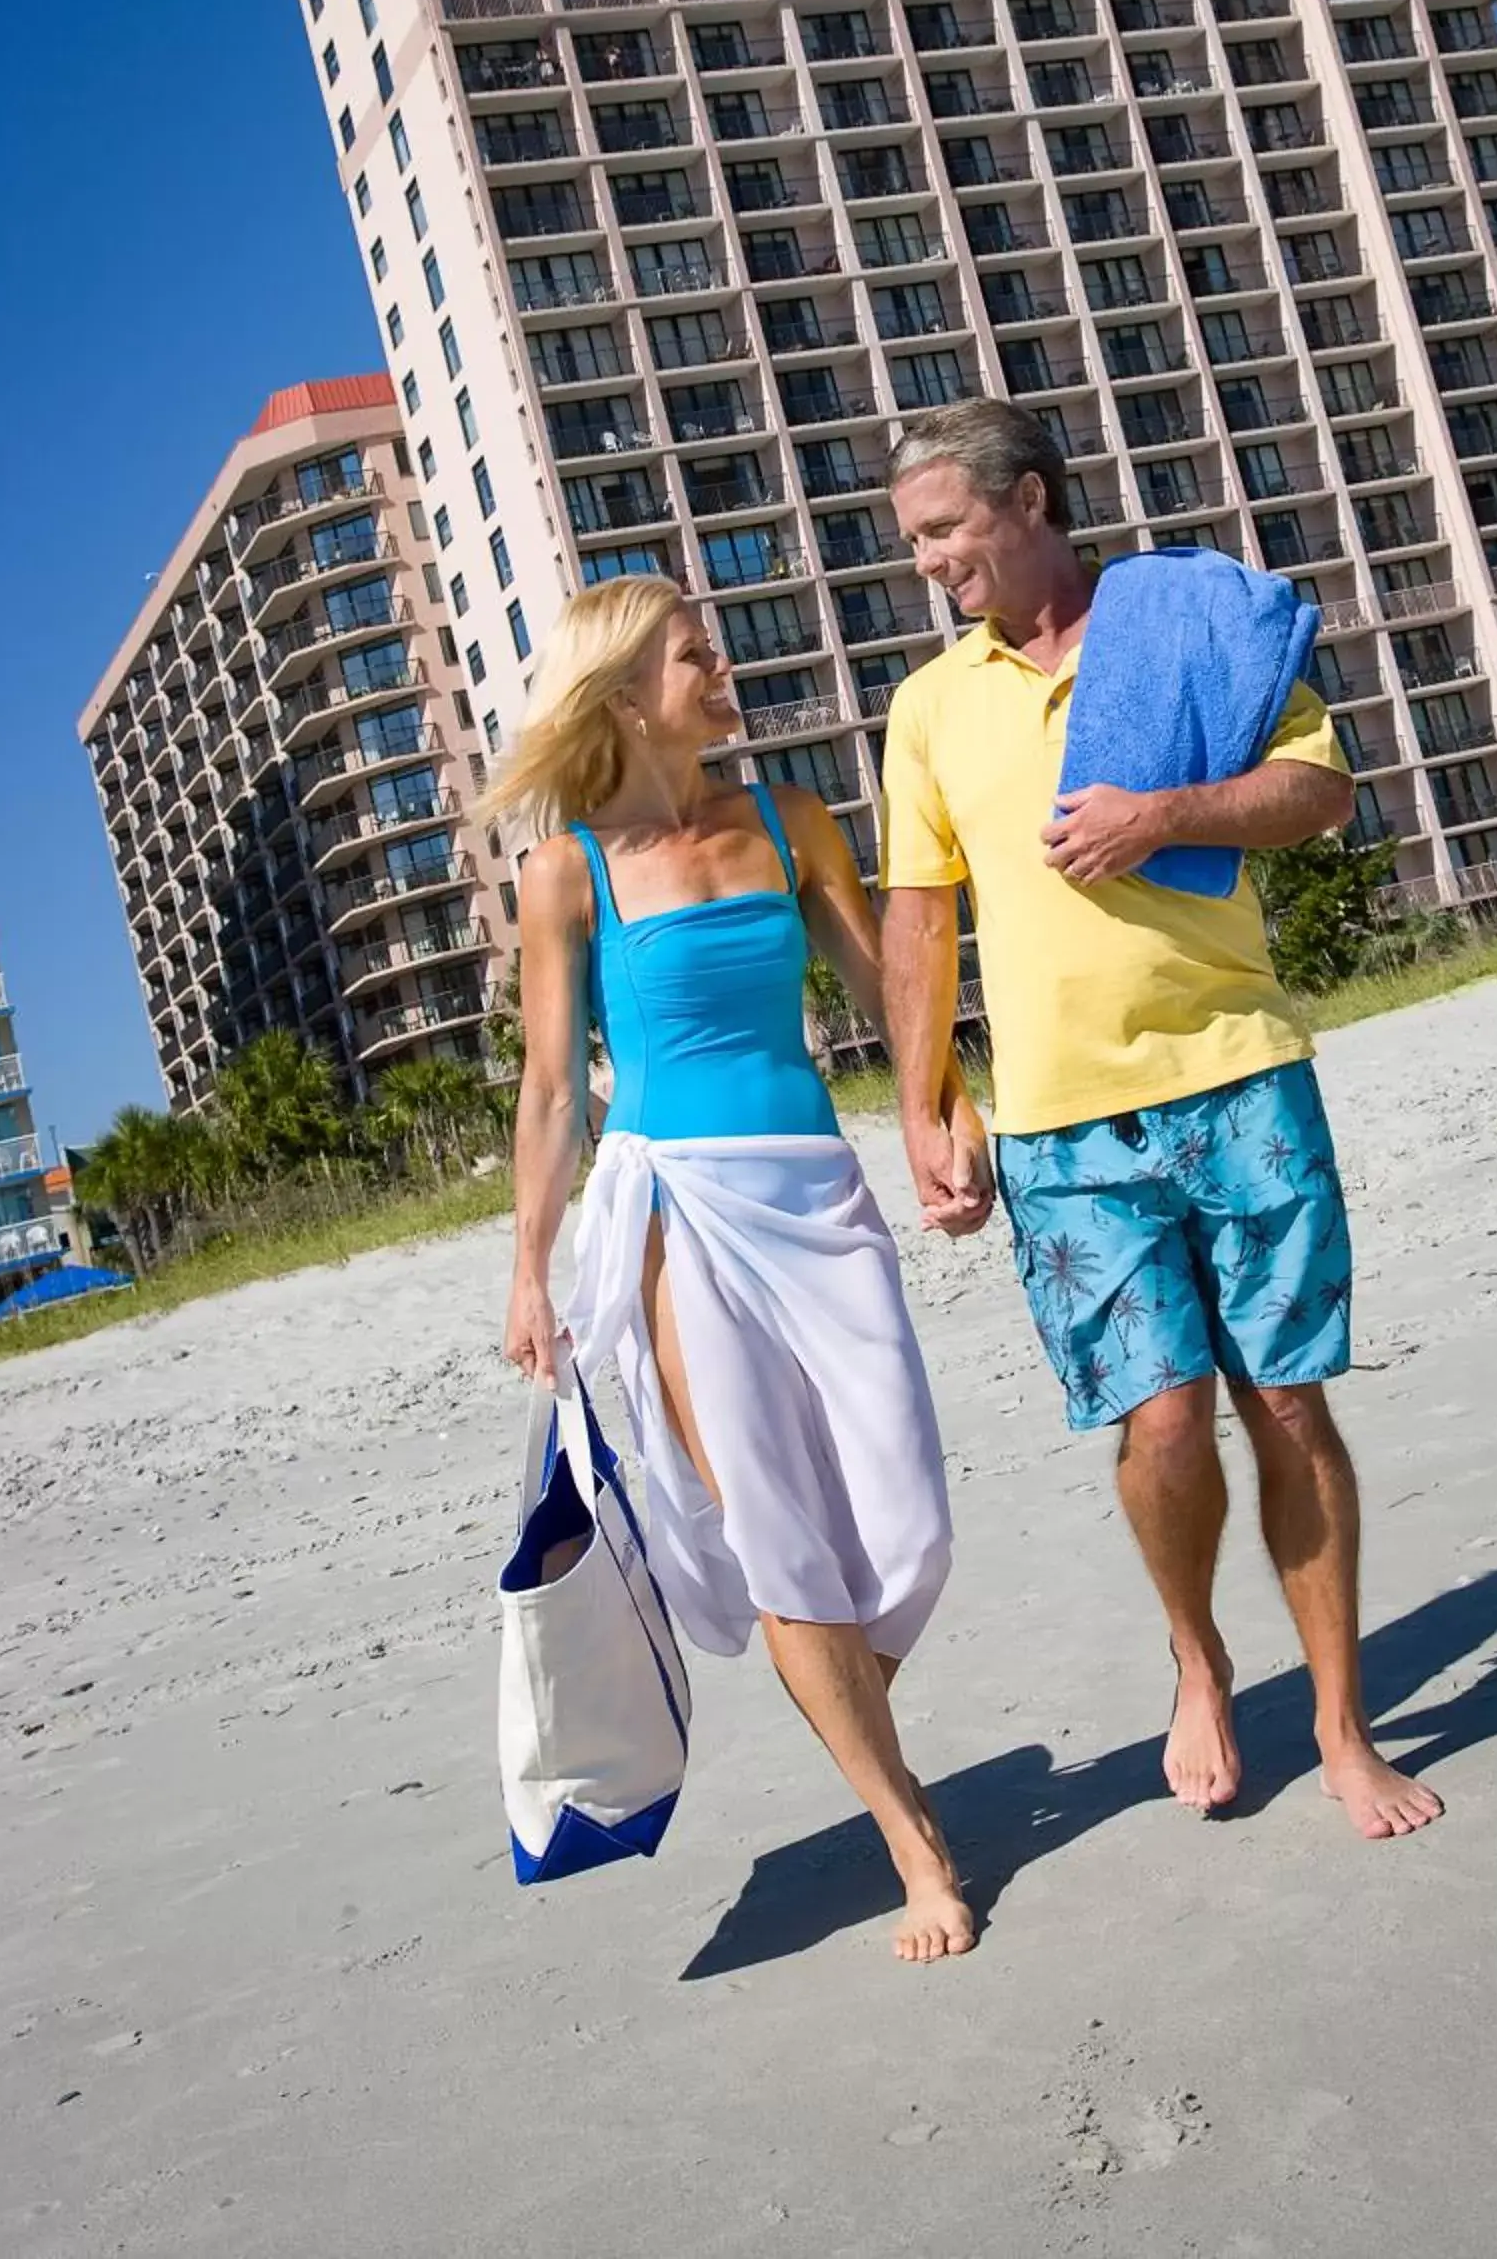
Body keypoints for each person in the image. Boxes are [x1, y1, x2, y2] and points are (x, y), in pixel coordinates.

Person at [878, 401, 1443, 1841]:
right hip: (1064, 1122)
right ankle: (1196, 1655)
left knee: (1289, 1400)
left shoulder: (1186, 626)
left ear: (1032, 502)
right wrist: (925, 1105)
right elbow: (921, 916)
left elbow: (1320, 790)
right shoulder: (933, 707)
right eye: (915, 542)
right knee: (1165, 1424)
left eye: (945, 529)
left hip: (1239, 1070)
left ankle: (1338, 1724)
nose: (930, 562)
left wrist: (1165, 813)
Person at [492, 577, 979, 1961]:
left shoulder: (790, 819)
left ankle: (849, 1717)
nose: (722, 665)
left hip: (813, 1197)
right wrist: (532, 1269)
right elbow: (547, 1093)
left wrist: (944, 1101)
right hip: (671, 1217)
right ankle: (909, 1835)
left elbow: (894, 981)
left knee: (910, 1523)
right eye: (693, 654)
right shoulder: (566, 871)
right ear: (624, 694)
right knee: (777, 1536)